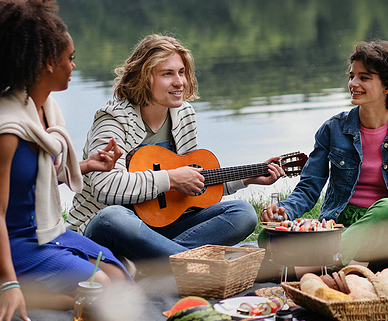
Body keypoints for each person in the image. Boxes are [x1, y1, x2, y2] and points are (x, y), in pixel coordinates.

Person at [0, 0, 130, 321]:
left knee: (120, 275)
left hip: (46, 231)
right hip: (10, 243)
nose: (74, 66)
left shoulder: (45, 110)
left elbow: (36, 178)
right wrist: (12, 282)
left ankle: (6, 288)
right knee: (99, 290)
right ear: (47, 62)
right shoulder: (5, 130)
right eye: (70, 58)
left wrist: (87, 166)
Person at [66, 34, 284, 263]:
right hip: (110, 229)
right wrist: (169, 178)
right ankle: (192, 263)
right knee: (112, 217)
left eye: (181, 72)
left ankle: (161, 262)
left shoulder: (184, 116)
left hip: (161, 227)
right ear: (143, 78)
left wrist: (246, 179)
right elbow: (105, 188)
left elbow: (191, 185)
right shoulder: (113, 120)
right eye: (167, 74)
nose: (179, 81)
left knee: (242, 213)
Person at [260, 40, 388, 266]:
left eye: (364, 77)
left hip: (383, 230)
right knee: (267, 236)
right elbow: (309, 186)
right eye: (352, 76)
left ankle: (321, 262)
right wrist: (285, 213)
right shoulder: (333, 129)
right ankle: (330, 261)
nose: (353, 83)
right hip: (337, 227)